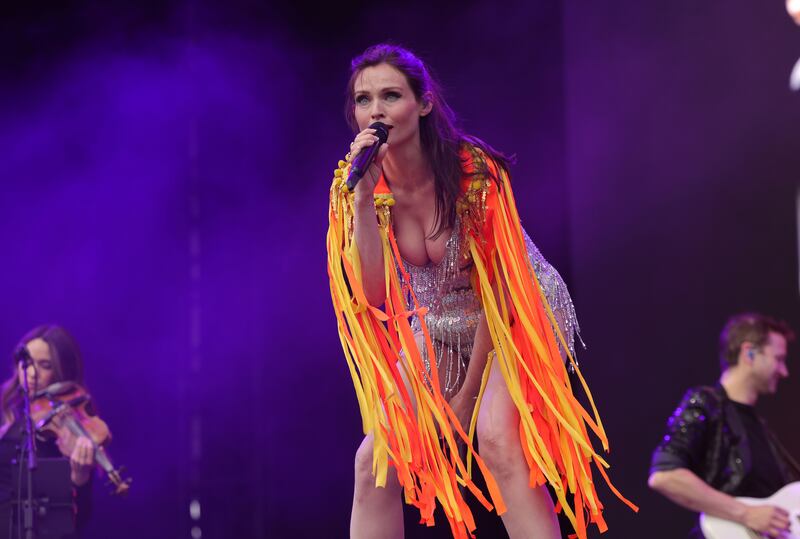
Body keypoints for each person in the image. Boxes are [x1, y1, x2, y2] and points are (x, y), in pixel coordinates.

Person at [327, 43, 634, 539]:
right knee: (375, 460)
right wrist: (362, 202)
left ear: (423, 103)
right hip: (443, 320)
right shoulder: (357, 184)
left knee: (494, 438)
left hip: (519, 314)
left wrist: (468, 394)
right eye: (364, 100)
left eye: (391, 95)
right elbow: (374, 295)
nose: (376, 111)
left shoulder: (475, 173)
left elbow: (503, 291)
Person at [649, 313, 799, 538]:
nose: (784, 371)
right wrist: (746, 513)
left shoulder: (760, 426)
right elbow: (665, 476)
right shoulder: (708, 404)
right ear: (749, 353)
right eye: (778, 359)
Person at [0, 324, 96, 535]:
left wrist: (79, 478)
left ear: (63, 371)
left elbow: (78, 520)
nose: (32, 373)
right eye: (27, 363)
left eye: (45, 365)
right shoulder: (7, 411)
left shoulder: (67, 428)